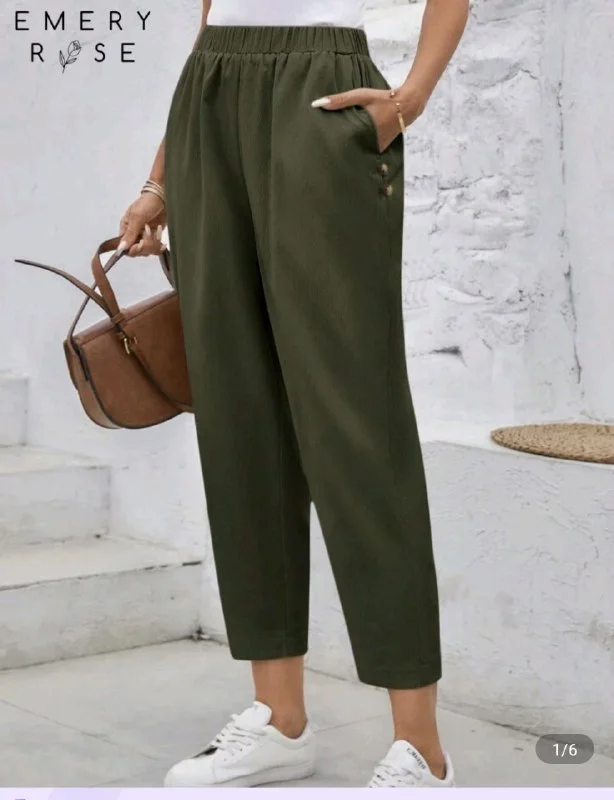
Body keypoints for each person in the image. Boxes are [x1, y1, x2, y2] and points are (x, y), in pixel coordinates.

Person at [118, 0, 469, 788]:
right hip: (210, 96)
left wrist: (408, 99)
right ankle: (280, 720)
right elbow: (213, 20)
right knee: (238, 413)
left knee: (357, 420)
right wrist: (160, 179)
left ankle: (422, 749)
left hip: (321, 92)